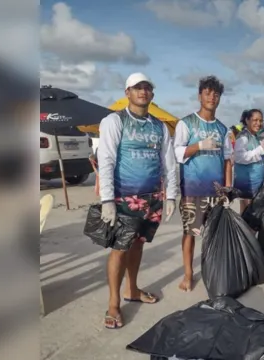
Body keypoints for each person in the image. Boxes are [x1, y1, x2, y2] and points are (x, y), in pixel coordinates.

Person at [97, 73, 178, 329]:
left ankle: (132, 290)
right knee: (120, 249)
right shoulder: (114, 120)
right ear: (127, 93)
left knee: (138, 246)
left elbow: (169, 163)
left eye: (147, 88)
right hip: (124, 198)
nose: (143, 91)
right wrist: (107, 199)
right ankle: (113, 303)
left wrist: (171, 195)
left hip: (152, 197)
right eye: (137, 87)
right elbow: (106, 160)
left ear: (152, 95)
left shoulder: (159, 126)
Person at [173, 75, 232, 292]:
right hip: (193, 190)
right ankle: (188, 274)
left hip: (216, 192)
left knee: (215, 235)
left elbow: (228, 160)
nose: (212, 97)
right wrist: (198, 146)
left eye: (216, 94)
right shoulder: (186, 123)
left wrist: (227, 189)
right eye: (208, 93)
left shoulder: (223, 129)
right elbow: (177, 152)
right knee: (190, 233)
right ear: (200, 96)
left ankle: (213, 271)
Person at [233, 109, 264, 214]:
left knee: (254, 218)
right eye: (255, 120)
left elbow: (260, 160)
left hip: (257, 186)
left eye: (260, 120)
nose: (258, 123)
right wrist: (258, 150)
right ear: (247, 120)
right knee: (247, 217)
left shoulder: (255, 137)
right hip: (247, 185)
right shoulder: (243, 137)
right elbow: (239, 157)